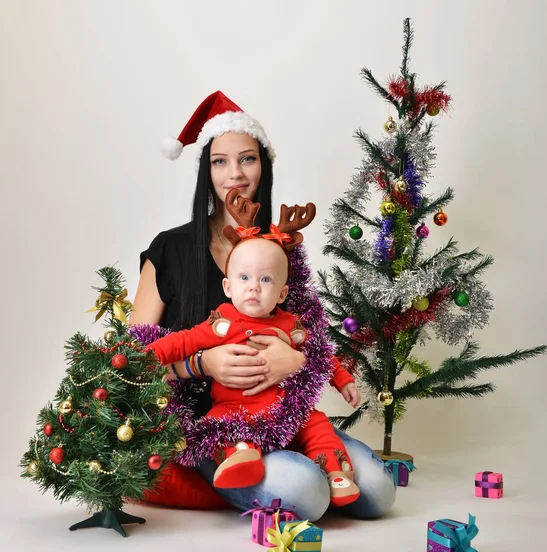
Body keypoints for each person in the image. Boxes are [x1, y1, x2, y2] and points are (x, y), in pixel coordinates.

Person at [130, 90, 396, 521]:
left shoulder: (281, 249)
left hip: (283, 413)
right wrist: (202, 365)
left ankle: (305, 464)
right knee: (307, 492)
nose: (234, 173)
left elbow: (313, 345)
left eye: (247, 158)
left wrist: (293, 361)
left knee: (379, 492)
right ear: (206, 171)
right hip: (208, 428)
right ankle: (265, 476)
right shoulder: (169, 250)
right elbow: (129, 365)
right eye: (220, 161)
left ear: (264, 165)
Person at [146, 196, 362, 508]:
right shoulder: (221, 322)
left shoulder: (290, 325)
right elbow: (182, 341)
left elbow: (322, 355)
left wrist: (344, 381)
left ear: (282, 292)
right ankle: (242, 459)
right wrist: (149, 355)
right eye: (244, 278)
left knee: (317, 425)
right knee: (223, 426)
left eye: (266, 280)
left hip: (286, 411)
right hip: (236, 409)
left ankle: (336, 473)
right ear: (228, 286)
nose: (254, 288)